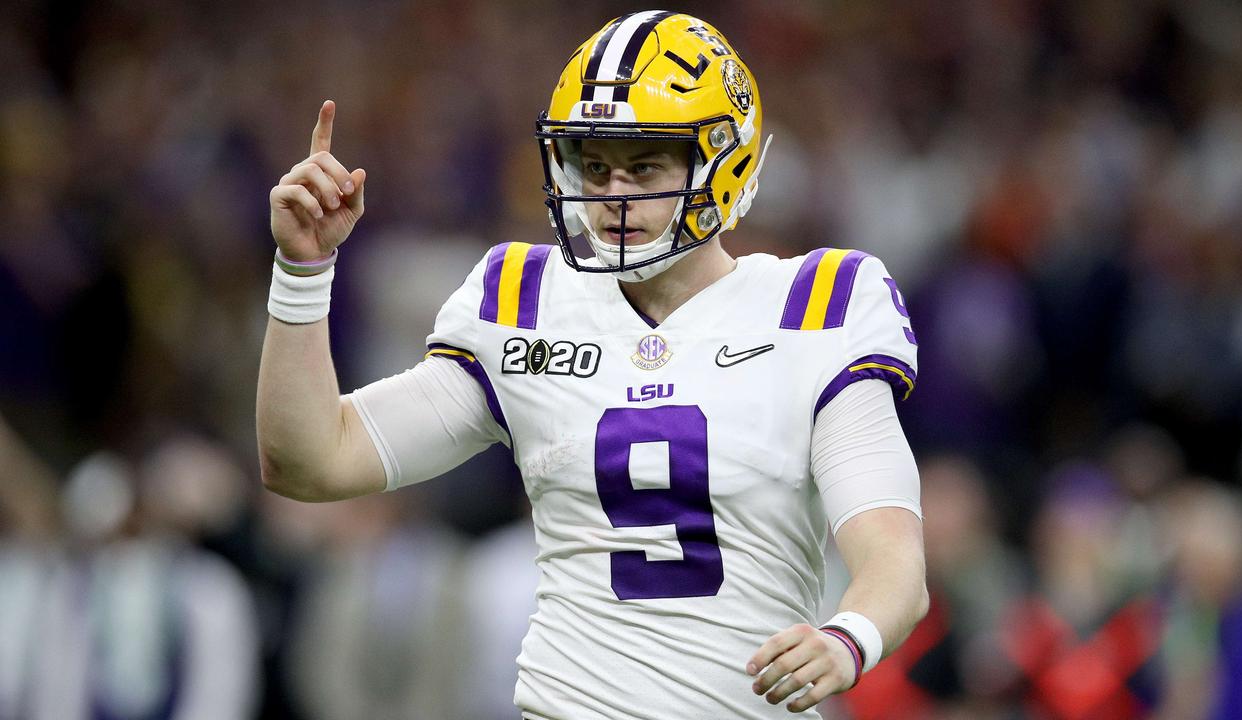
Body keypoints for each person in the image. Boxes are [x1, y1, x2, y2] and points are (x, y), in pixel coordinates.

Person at [257, 10, 927, 718]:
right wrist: (302, 273)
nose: (613, 195)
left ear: (724, 162)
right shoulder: (528, 301)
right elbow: (310, 461)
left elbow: (894, 565)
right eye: (595, 165)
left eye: (645, 166)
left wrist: (847, 638)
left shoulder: (816, 308)